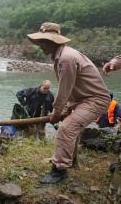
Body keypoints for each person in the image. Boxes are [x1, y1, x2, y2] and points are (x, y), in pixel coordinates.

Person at [26, 22, 110, 184]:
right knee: (74, 128)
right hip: (81, 98)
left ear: (54, 41)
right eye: (40, 41)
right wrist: (64, 109)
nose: (40, 45)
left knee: (66, 128)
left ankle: (59, 171)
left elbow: (64, 89)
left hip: (95, 99)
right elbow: (70, 89)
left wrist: (56, 113)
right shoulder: (61, 56)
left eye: (44, 41)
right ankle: (72, 159)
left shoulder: (66, 58)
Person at [103, 56, 121, 202]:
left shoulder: (114, 104)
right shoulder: (105, 103)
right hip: (104, 124)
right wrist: (114, 63)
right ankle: (112, 194)